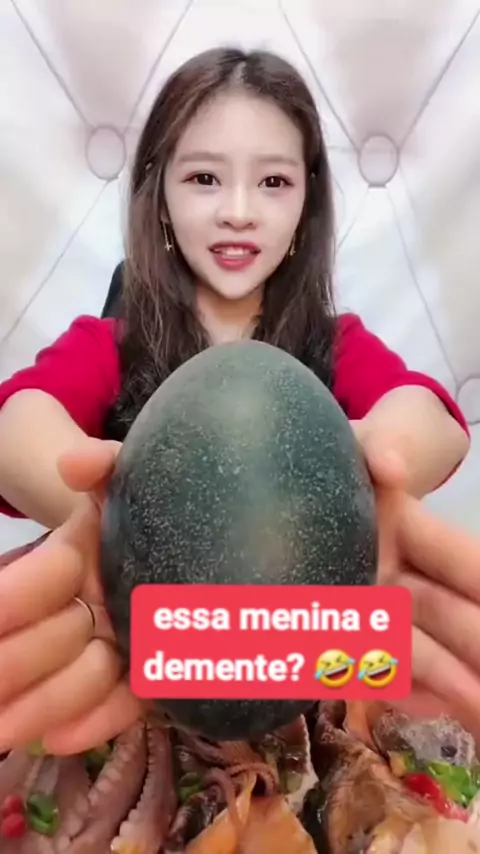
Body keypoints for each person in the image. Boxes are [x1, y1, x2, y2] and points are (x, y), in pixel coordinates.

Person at [0, 46, 473, 753]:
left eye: (274, 181)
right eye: (204, 179)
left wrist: (367, 463)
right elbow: (18, 421)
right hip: (138, 674)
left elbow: (430, 413)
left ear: (308, 203)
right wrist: (120, 514)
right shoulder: (113, 343)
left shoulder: (334, 343)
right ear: (159, 196)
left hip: (308, 672)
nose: (239, 212)